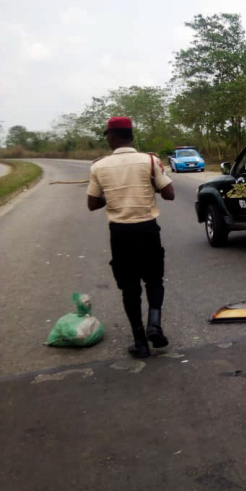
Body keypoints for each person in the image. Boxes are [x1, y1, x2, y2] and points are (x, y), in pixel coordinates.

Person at [87, 117, 175, 358]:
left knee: (130, 288)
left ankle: (140, 342)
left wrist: (112, 194)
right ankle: (154, 324)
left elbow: (92, 204)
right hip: (148, 230)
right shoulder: (150, 161)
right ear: (131, 136)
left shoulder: (98, 167)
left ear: (113, 137)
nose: (107, 139)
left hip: (121, 234)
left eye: (107, 136)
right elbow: (169, 194)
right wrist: (152, 183)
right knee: (154, 280)